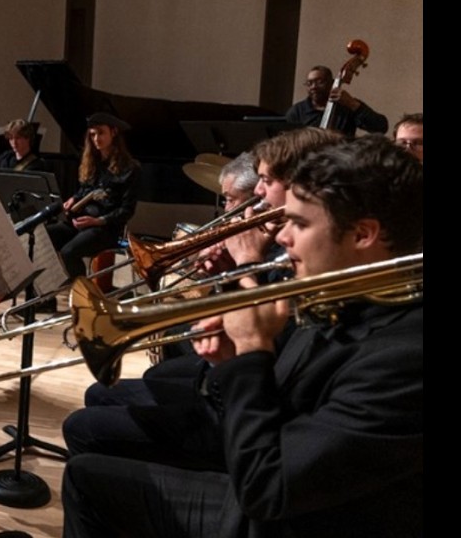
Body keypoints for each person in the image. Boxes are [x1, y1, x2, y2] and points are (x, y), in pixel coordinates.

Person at [61, 135, 423, 538]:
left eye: (300, 224)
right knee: (88, 470)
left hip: (283, 516)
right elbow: (275, 397)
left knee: (87, 476)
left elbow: (266, 489)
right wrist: (230, 358)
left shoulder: (406, 358)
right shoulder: (341, 293)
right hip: (263, 481)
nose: (283, 237)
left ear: (363, 234)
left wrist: (250, 355)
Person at [62, 128, 343, 464]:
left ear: (301, 184)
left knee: (83, 429)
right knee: (105, 392)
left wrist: (247, 264)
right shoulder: (279, 238)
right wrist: (224, 276)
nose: (257, 190)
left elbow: (263, 341)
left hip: (246, 416)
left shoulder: (305, 254)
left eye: (266, 180)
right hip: (232, 386)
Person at [45, 113, 139, 279]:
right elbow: (84, 191)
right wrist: (73, 199)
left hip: (106, 228)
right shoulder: (92, 162)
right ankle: (48, 294)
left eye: (101, 133)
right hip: (81, 222)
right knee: (43, 238)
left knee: (69, 252)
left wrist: (97, 221)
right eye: (93, 134)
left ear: (114, 132)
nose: (96, 139)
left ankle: (85, 293)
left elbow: (127, 210)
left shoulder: (130, 168)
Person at [283, 64, 388, 136]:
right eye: (309, 83)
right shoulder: (297, 111)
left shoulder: (347, 105)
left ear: (332, 83)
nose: (313, 87)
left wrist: (353, 104)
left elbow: (381, 127)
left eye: (319, 82)